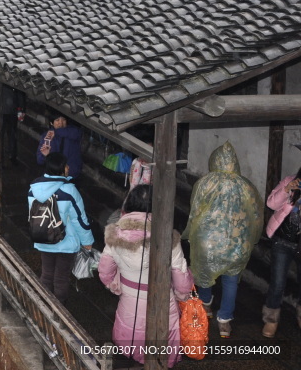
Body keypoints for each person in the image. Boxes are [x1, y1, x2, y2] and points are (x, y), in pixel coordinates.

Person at [98, 184, 192, 367]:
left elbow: (105, 271)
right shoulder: (168, 237)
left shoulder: (114, 234)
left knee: (132, 337)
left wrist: (114, 284)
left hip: (129, 298)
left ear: (129, 203)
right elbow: (181, 280)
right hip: (162, 300)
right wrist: (183, 295)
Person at [183, 141, 262, 338]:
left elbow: (195, 211)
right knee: (231, 281)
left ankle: (206, 306)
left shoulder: (204, 183)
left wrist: (190, 234)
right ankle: (225, 321)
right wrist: (252, 238)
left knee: (204, 274)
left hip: (207, 241)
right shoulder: (247, 185)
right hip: (237, 243)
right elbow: (256, 215)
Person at [27, 152, 93, 305]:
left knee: (47, 273)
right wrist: (87, 241)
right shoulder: (69, 191)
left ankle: (43, 305)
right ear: (61, 168)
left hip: (43, 237)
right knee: (61, 277)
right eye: (66, 165)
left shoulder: (33, 189)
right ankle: (59, 310)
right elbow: (80, 219)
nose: (68, 167)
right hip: (66, 242)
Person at [261, 166, 301, 337]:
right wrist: (287, 189)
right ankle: (271, 319)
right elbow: (271, 203)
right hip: (283, 241)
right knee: (277, 283)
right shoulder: (290, 180)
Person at [36, 113, 83, 179]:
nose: (61, 123)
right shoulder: (47, 136)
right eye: (57, 120)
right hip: (54, 175)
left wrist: (56, 132)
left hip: (71, 174)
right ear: (51, 123)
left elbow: (77, 133)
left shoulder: (72, 132)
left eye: (63, 120)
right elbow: (40, 160)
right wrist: (45, 155)